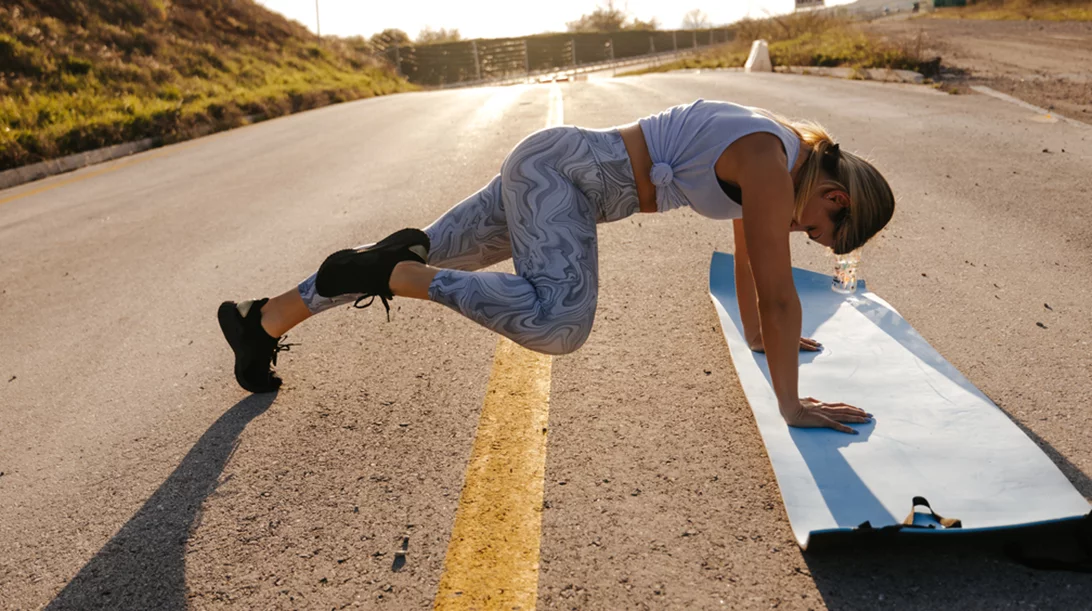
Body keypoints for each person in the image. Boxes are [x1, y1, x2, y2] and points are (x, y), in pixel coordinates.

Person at [218, 99, 894, 434]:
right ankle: (399, 276)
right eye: (818, 230)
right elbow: (782, 296)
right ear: (835, 197)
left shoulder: (769, 151)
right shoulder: (772, 163)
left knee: (406, 250)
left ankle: (263, 320)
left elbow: (753, 269)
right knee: (561, 321)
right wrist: (791, 402)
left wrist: (755, 337)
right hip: (561, 181)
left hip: (548, 167)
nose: (802, 234)